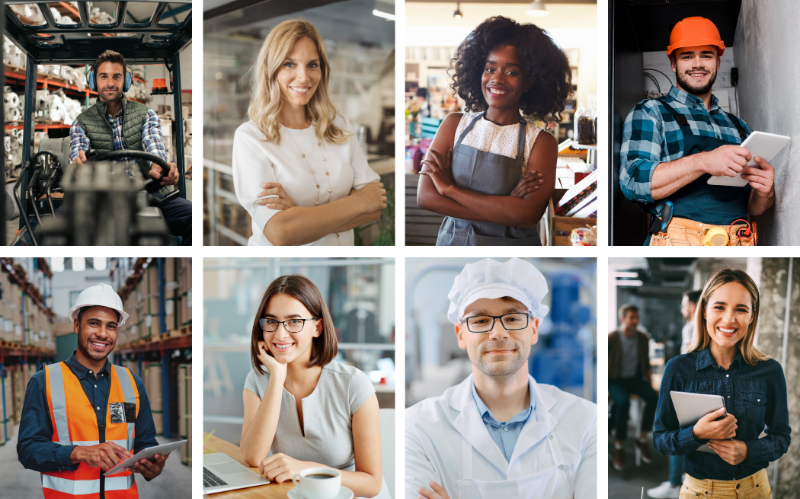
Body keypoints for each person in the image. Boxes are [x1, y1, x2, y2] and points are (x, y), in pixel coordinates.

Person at [406, 258, 597, 499]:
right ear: (461, 334)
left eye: (513, 318)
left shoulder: (588, 422)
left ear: (534, 329)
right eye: (481, 320)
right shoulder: (416, 428)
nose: (498, 333)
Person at [619, 17, 775, 246]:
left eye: (706, 55)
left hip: (739, 241)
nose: (698, 64)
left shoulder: (740, 127)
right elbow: (633, 182)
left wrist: (764, 193)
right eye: (687, 56)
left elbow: (752, 207)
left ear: (718, 62)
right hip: (677, 241)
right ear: (673, 63)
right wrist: (703, 162)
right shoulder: (652, 112)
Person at [417, 16, 571, 246]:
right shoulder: (453, 124)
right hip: (453, 246)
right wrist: (505, 209)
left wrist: (450, 190)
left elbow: (527, 216)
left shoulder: (541, 142)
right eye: (490, 68)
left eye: (511, 72)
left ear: (529, 82)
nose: (496, 79)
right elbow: (426, 197)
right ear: (479, 71)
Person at [232, 20, 387, 246]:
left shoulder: (339, 124)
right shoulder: (250, 138)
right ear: (271, 69)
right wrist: (358, 203)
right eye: (289, 64)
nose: (304, 77)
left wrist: (300, 217)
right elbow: (281, 233)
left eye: (312, 65)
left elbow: (375, 206)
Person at [240, 274, 389, 498]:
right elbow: (253, 456)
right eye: (271, 321)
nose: (280, 334)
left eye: (294, 321)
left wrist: (306, 470)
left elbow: (371, 484)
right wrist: (277, 377)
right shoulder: (257, 380)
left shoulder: (353, 384)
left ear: (317, 328)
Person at [17, 283, 169, 498]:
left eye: (111, 326)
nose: (103, 334)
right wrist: (77, 452)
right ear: (77, 325)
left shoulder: (132, 383)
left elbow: (145, 444)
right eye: (94, 324)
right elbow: (28, 450)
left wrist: (152, 467)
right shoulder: (44, 381)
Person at [653, 268, 790, 498]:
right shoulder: (678, 368)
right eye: (719, 307)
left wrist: (748, 451)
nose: (729, 319)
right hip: (699, 492)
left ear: (752, 316)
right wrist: (695, 434)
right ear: (704, 310)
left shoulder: (770, 370)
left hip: (755, 490)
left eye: (741, 309)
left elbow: (781, 437)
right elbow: (660, 440)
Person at [69, 50, 192, 245]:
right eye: (104, 76)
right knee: (62, 226)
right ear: (94, 81)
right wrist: (78, 165)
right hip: (101, 200)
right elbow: (78, 156)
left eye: (116, 77)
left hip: (148, 193)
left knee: (193, 218)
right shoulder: (81, 123)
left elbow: (155, 146)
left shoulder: (146, 114)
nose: (110, 83)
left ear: (125, 82)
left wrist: (160, 168)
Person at [647, 289, 700, 499]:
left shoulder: (691, 327)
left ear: (693, 306)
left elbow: (688, 360)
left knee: (675, 432)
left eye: (684, 304)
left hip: (687, 386)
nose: (681, 308)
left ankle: (674, 483)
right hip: (697, 386)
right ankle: (681, 481)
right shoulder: (705, 326)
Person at [608, 304, 658, 471]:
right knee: (623, 403)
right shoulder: (612, 338)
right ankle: (619, 446)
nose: (635, 321)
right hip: (615, 380)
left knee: (652, 397)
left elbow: (646, 364)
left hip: (635, 379)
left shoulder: (642, 338)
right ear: (622, 319)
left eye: (637, 318)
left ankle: (642, 438)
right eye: (632, 318)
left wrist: (650, 385)